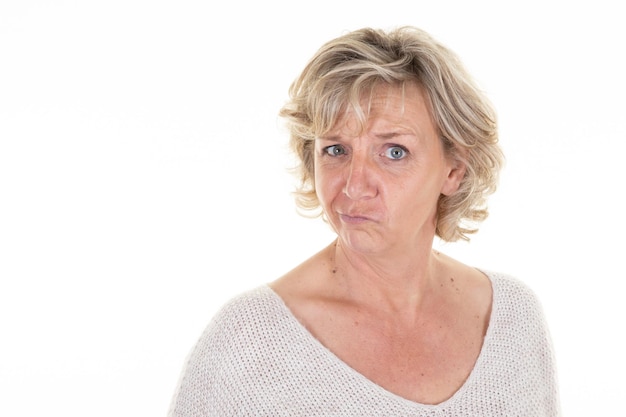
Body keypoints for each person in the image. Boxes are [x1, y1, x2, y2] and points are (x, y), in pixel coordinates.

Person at [168, 26, 560, 416]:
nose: (355, 186)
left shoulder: (511, 321)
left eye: (394, 152)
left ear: (454, 170)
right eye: (336, 149)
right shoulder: (249, 343)